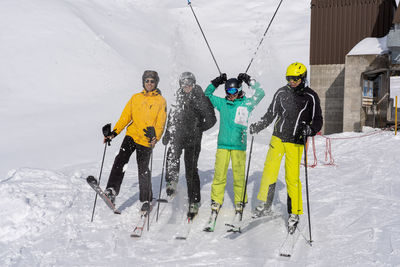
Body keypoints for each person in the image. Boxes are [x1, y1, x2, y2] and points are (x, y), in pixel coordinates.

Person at [249, 62, 323, 233]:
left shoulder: (311, 96)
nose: (292, 81)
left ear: (303, 78)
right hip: (278, 138)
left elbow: (318, 120)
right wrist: (258, 126)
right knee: (269, 171)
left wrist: (310, 129)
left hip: (295, 142)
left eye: (295, 78)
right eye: (289, 78)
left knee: (292, 178)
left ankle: (294, 213)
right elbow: (270, 114)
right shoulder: (281, 93)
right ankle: (264, 205)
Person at [103, 70, 167, 213]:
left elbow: (161, 122)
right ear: (143, 82)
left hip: (146, 140)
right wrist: (114, 133)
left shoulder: (161, 101)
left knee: (143, 169)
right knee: (121, 160)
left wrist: (155, 137)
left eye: (152, 81)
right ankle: (111, 191)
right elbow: (125, 117)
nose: (149, 83)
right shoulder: (135, 98)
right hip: (131, 136)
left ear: (156, 83)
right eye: (147, 81)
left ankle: (146, 198)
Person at [205, 72, 265, 219]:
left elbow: (260, 93)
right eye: (228, 91)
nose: (230, 94)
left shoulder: (247, 104)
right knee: (219, 175)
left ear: (239, 90)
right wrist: (217, 81)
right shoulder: (222, 104)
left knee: (238, 176)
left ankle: (239, 201)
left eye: (233, 91)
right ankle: (216, 200)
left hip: (239, 146)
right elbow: (207, 94)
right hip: (223, 146)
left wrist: (249, 80)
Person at [162, 71, 216, 217]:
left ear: (193, 83)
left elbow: (212, 119)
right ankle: (171, 182)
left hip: (193, 138)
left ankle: (194, 201)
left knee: (191, 169)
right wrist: (168, 132)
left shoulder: (200, 97)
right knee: (172, 155)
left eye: (189, 83)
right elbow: (172, 115)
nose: (187, 86)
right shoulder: (178, 96)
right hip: (178, 135)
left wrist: (200, 129)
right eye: (184, 83)